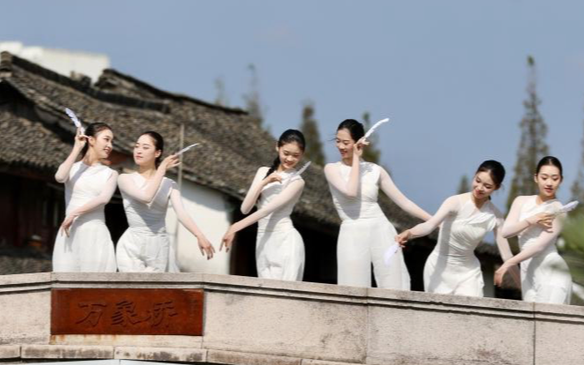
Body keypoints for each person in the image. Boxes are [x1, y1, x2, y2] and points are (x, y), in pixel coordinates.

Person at [324, 119, 431, 289]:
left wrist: (434, 220)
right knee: (352, 289)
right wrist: (357, 161)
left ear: (359, 142)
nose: (341, 147)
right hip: (351, 231)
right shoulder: (331, 169)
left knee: (393, 284)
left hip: (381, 229)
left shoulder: (375, 170)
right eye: (338, 141)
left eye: (346, 142)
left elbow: (404, 202)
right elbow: (351, 192)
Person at [395, 160, 517, 297]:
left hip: (468, 272)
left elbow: (507, 255)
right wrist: (410, 233)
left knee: (470, 312)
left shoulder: (496, 216)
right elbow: (430, 225)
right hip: (439, 269)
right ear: (475, 175)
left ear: (497, 187)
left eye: (487, 186)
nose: (479, 188)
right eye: (477, 180)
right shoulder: (455, 202)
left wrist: (522, 285)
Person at [116, 131, 214, 272]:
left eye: (145, 147)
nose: (138, 151)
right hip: (132, 243)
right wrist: (161, 169)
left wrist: (200, 235)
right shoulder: (125, 179)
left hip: (158, 244)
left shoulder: (170, 184)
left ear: (157, 153)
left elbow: (181, 213)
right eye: (137, 146)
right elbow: (146, 197)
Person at [220, 129, 307, 281]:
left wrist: (235, 226)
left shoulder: (297, 182)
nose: (290, 158)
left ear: (302, 154)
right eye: (286, 153)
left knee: (285, 296)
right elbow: (245, 208)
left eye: (295, 155)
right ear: (277, 147)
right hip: (263, 240)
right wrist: (265, 182)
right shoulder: (263, 172)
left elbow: (267, 210)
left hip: (285, 240)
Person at [495, 156, 572, 303]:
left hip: (551, 271)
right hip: (527, 271)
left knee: (550, 322)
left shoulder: (559, 210)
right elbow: (506, 232)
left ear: (561, 180)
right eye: (544, 177)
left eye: (554, 178)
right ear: (536, 178)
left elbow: (539, 247)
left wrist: (508, 263)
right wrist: (532, 219)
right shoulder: (521, 201)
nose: (549, 183)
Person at [52, 122, 118, 272]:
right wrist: (76, 148)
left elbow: (103, 199)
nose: (110, 145)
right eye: (106, 139)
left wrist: (74, 213)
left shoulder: (110, 174)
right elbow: (60, 177)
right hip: (70, 231)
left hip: (95, 233)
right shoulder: (73, 168)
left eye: (111, 141)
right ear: (91, 140)